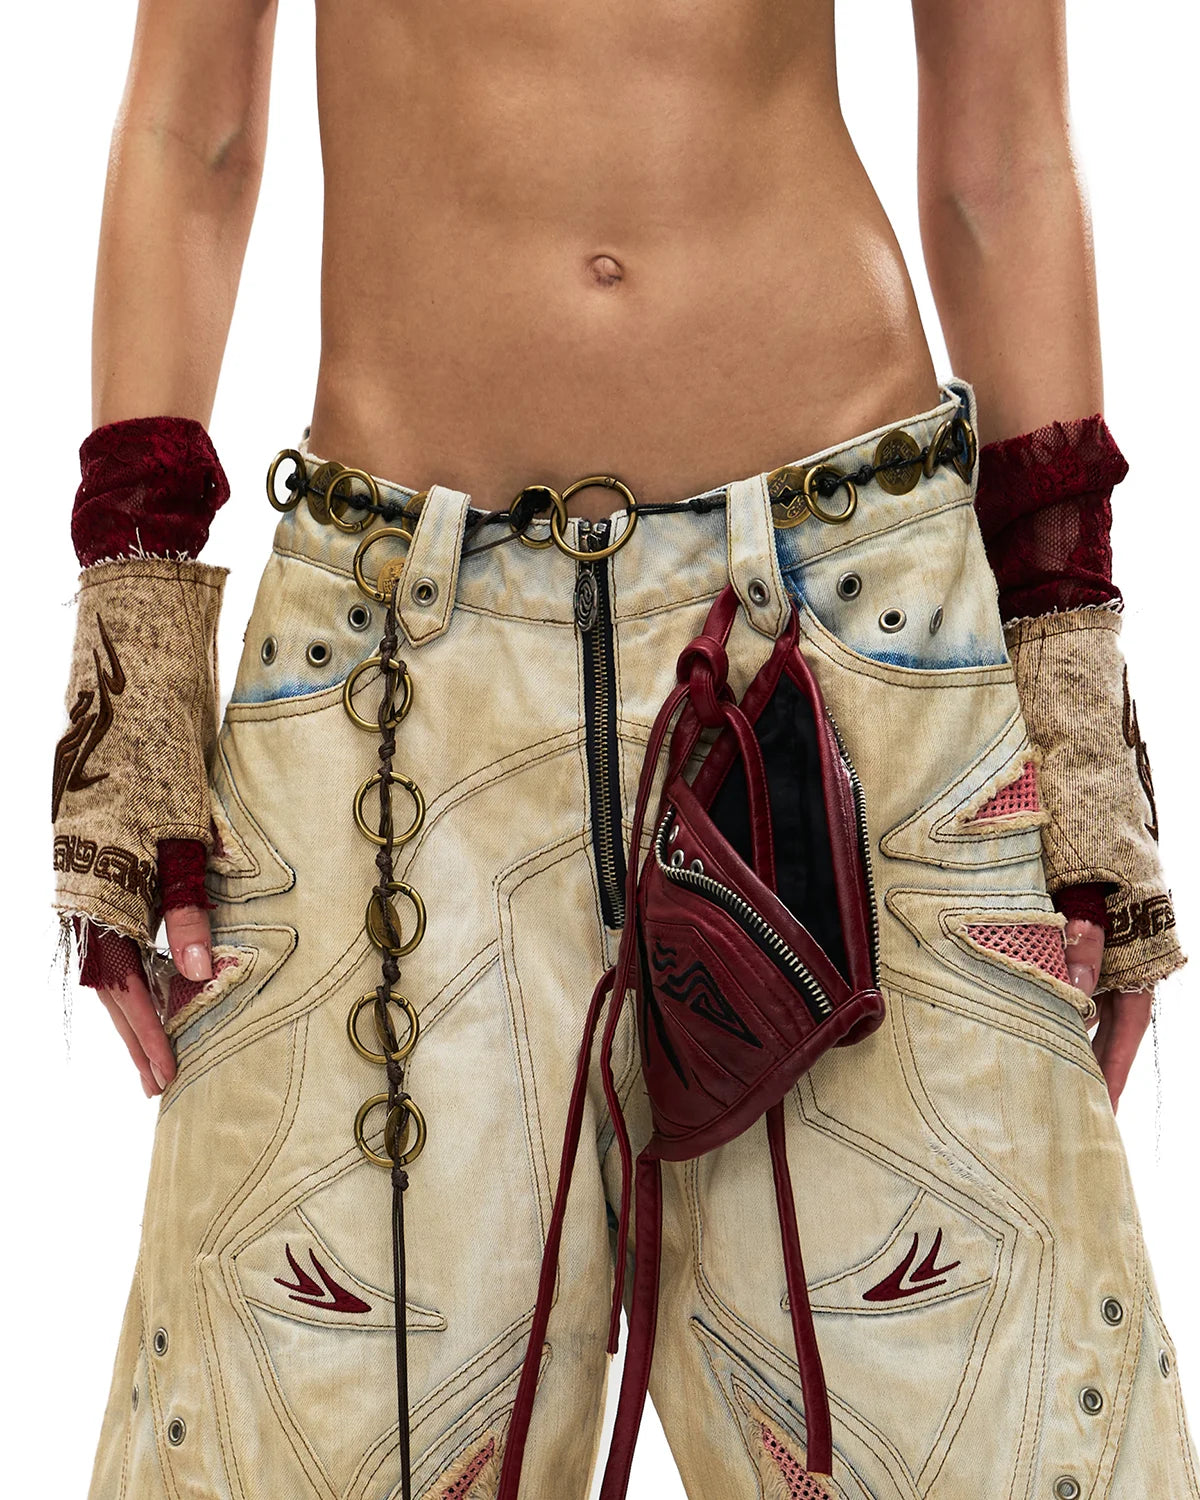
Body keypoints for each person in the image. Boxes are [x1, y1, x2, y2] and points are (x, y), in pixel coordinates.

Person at [50, 0, 1194, 1496]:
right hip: (389, 684)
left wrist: (1071, 692)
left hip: (845, 649)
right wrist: (135, 667)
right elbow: (187, 129)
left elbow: (1007, 156)